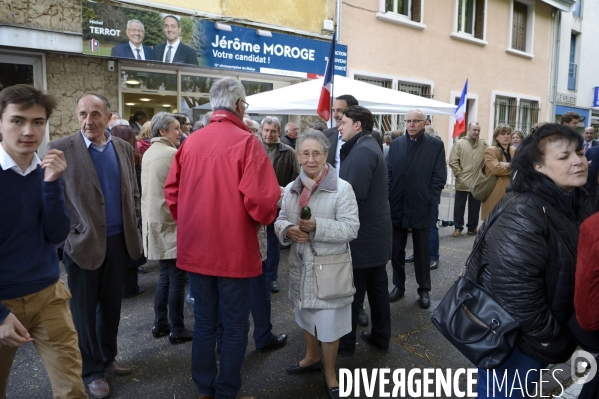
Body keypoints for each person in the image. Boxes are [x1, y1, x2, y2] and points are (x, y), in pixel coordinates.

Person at [164, 77, 280, 399]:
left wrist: (189, 221)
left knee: (204, 323)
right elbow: (264, 202)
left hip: (196, 249)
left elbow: (171, 193)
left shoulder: (190, 142)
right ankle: (226, 389)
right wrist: (261, 221)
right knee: (234, 327)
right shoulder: (246, 142)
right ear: (240, 105)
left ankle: (205, 387)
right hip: (234, 252)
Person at [466, 123, 587, 398]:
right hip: (516, 337)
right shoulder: (525, 209)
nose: (578, 161)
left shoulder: (565, 199)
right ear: (538, 167)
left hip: (533, 334)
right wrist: (547, 336)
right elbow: (515, 287)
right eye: (564, 156)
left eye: (579, 152)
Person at [47, 92, 142, 399]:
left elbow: (133, 192)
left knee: (112, 306)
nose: (89, 121)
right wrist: (67, 237)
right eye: (82, 115)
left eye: (95, 114)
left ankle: (108, 356)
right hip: (82, 243)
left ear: (108, 116)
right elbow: (51, 197)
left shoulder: (123, 148)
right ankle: (91, 371)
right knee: (83, 312)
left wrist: (136, 225)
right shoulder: (60, 148)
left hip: (118, 241)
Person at [0, 84, 87, 399]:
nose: (29, 130)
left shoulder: (46, 170)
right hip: (3, 300)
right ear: (0, 123)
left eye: (38, 122)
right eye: (17, 120)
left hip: (48, 295)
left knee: (72, 389)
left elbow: (56, 235)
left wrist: (51, 184)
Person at [275, 131, 360, 399]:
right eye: (305, 153)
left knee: (328, 323)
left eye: (316, 153)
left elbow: (351, 228)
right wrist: (287, 230)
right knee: (305, 316)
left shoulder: (342, 188)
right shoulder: (291, 188)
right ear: (298, 155)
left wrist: (317, 227)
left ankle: (331, 373)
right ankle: (311, 358)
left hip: (329, 270)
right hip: (301, 266)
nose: (310, 159)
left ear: (326, 155)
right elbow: (279, 218)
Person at [335, 106, 391, 357]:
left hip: (363, 237)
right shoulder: (367, 146)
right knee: (377, 290)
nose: (339, 126)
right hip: (374, 235)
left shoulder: (362, 151)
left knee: (352, 294)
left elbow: (352, 198)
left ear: (357, 125)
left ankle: (345, 346)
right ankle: (380, 337)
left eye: (343, 121)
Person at [141, 112, 193, 344]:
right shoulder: (172, 153)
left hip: (156, 221)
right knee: (176, 279)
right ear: (162, 131)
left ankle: (160, 323)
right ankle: (177, 328)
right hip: (170, 223)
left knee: (165, 277)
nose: (180, 131)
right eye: (175, 128)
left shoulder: (149, 152)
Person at [387, 109, 446, 309]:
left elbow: (439, 176)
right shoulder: (396, 145)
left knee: (422, 251)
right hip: (397, 204)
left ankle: (424, 289)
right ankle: (398, 285)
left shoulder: (435, 145)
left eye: (415, 121)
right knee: (397, 249)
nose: (411, 124)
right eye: (408, 121)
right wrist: (390, 194)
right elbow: (388, 172)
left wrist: (430, 198)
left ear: (424, 123)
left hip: (422, 206)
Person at [260, 116, 300, 294]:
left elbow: (297, 179)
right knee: (255, 242)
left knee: (273, 243)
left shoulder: (289, 152)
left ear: (279, 132)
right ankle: (257, 276)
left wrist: (286, 194)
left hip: (277, 205)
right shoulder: (252, 148)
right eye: (266, 130)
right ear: (261, 131)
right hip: (256, 205)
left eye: (273, 131)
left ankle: (271, 277)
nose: (269, 134)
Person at [110, 125, 146, 299]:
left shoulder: (111, 157)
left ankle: (122, 285)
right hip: (132, 210)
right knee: (130, 247)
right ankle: (131, 286)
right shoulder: (135, 157)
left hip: (117, 211)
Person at [323, 94, 382, 173]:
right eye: (334, 110)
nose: (334, 115)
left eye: (339, 110)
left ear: (352, 111)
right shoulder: (326, 135)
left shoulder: (372, 136)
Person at [448, 122, 487, 237]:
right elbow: (452, 161)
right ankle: (458, 227)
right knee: (459, 206)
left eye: (478, 130)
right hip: (463, 180)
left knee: (475, 206)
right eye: (474, 130)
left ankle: (472, 227)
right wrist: (459, 174)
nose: (476, 132)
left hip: (477, 181)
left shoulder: (483, 144)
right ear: (468, 130)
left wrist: (483, 175)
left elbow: (488, 159)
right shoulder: (460, 143)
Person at [480, 124, 516, 220]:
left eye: (508, 133)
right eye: (503, 133)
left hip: (512, 190)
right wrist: (513, 168)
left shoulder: (514, 151)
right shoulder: (491, 150)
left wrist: (507, 165)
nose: (506, 136)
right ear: (496, 136)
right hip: (495, 189)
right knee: (493, 221)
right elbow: (496, 169)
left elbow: (522, 167)